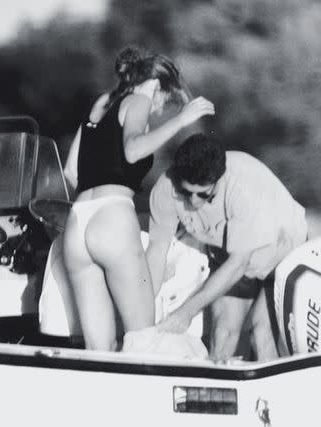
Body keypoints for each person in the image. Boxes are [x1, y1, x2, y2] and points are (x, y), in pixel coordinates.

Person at [61, 47, 214, 351]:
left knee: (98, 352)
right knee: (143, 339)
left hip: (78, 222)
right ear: (156, 86)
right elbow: (133, 149)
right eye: (164, 102)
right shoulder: (140, 99)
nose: (157, 111)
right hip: (112, 217)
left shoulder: (102, 103)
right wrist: (181, 120)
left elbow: (70, 171)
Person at [146, 133, 308, 360]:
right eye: (186, 192)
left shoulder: (243, 187)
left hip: (283, 253)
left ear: (219, 180)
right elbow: (156, 253)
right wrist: (142, 318)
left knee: (262, 335)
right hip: (231, 254)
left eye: (203, 194)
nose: (192, 202)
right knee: (222, 334)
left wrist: (186, 312)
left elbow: (238, 265)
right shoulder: (165, 189)